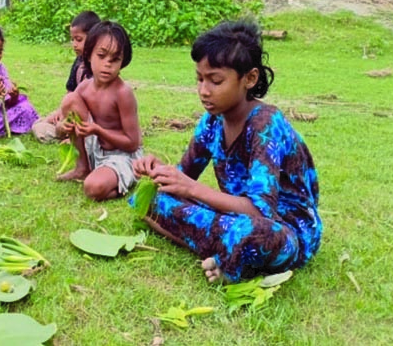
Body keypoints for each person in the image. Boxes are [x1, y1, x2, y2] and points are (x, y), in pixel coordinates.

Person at [132, 20, 322, 284]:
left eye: (215, 80)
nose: (203, 90)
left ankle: (223, 251)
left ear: (250, 78)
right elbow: (183, 175)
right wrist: (159, 172)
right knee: (153, 199)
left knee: (256, 234)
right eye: (199, 78)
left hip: (283, 228)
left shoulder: (265, 125)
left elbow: (259, 211)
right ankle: (227, 253)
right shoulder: (212, 121)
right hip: (233, 216)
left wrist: (191, 189)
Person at [55, 21, 142, 202]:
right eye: (101, 56)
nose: (107, 65)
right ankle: (82, 167)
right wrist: (63, 127)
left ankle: (122, 179)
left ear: (123, 61)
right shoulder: (83, 88)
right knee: (69, 100)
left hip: (120, 156)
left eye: (115, 59)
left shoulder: (122, 93)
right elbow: (60, 131)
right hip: (93, 150)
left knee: (93, 187)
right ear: (88, 55)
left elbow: (133, 143)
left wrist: (97, 130)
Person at [32, 11, 100, 143]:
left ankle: (77, 138)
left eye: (79, 39)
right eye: (72, 39)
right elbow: (70, 91)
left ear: (94, 38)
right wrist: (60, 112)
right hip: (72, 112)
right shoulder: (78, 62)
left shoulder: (98, 67)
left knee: (44, 130)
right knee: (39, 124)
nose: (74, 44)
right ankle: (65, 132)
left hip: (90, 118)